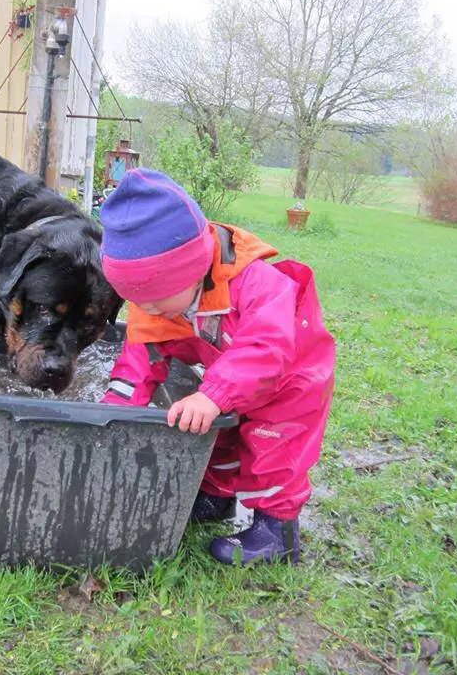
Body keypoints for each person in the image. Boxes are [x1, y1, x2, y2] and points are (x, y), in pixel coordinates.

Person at [99, 168, 335, 565]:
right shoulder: (157, 300)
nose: (148, 310)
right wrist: (111, 413)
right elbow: (139, 361)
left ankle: (277, 532)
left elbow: (266, 347)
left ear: (191, 271)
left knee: (273, 446)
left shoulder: (257, 283)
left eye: (155, 300)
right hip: (228, 375)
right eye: (137, 301)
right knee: (217, 436)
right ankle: (216, 497)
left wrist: (213, 394)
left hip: (289, 379)